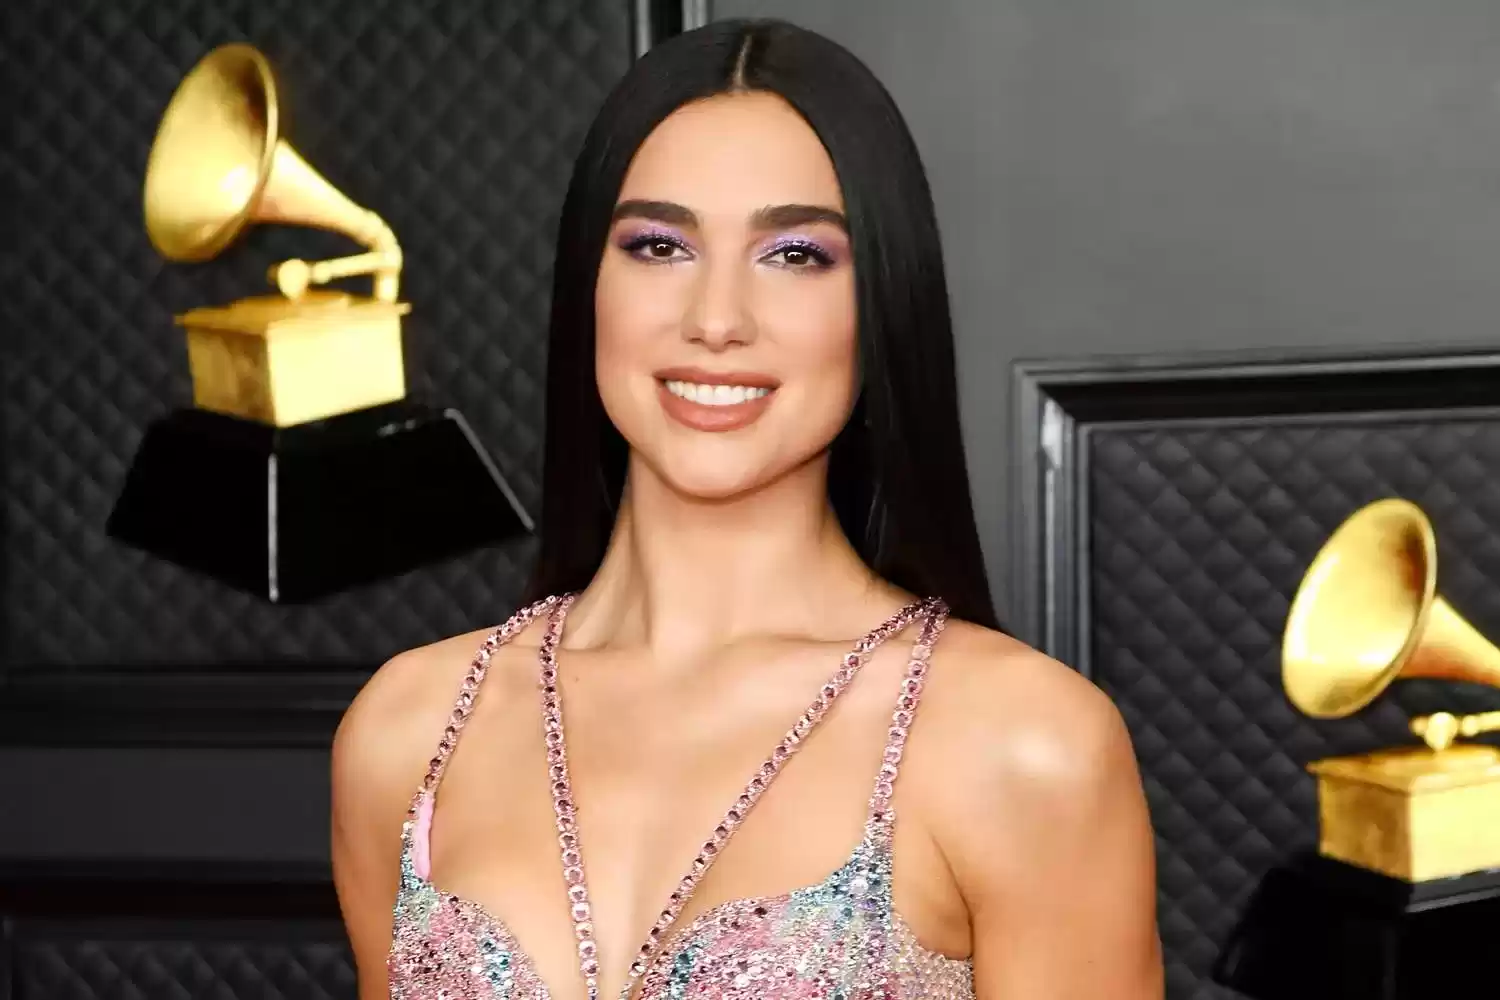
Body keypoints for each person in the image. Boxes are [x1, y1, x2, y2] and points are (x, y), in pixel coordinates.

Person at [331, 17, 1163, 1000]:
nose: (716, 319)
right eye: (658, 246)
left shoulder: (1021, 745)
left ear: (882, 302)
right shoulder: (410, 731)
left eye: (795, 254)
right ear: (588, 285)